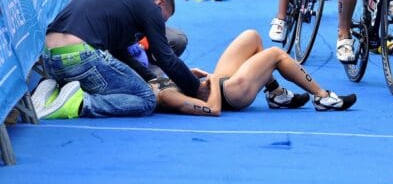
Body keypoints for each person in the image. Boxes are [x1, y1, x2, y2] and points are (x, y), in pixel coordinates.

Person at [31, 0, 207, 119]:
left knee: (124, 83)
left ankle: (51, 90)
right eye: (162, 19)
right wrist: (195, 88)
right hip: (80, 58)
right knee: (146, 99)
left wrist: (152, 79)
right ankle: (78, 103)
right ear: (159, 3)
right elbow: (166, 58)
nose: (159, 24)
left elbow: (121, 54)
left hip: (49, 60)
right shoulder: (150, 7)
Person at [152, 30, 357, 115]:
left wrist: (187, 74)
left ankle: (276, 94)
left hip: (219, 84)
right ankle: (322, 97)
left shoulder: (153, 82)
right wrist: (213, 80)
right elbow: (212, 109)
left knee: (252, 36)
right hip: (229, 95)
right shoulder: (167, 96)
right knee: (276, 54)